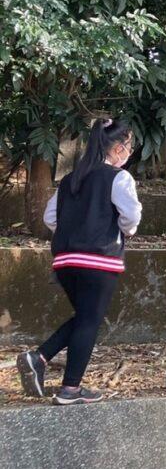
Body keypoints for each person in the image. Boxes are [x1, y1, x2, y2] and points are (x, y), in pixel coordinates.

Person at [17, 118, 143, 405]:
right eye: (130, 147)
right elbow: (131, 217)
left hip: (65, 261)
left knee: (85, 318)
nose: (130, 152)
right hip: (99, 261)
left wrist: (76, 231)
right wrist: (125, 231)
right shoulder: (118, 178)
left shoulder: (71, 179)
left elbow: (51, 219)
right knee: (89, 322)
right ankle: (70, 389)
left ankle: (39, 357)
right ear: (119, 148)